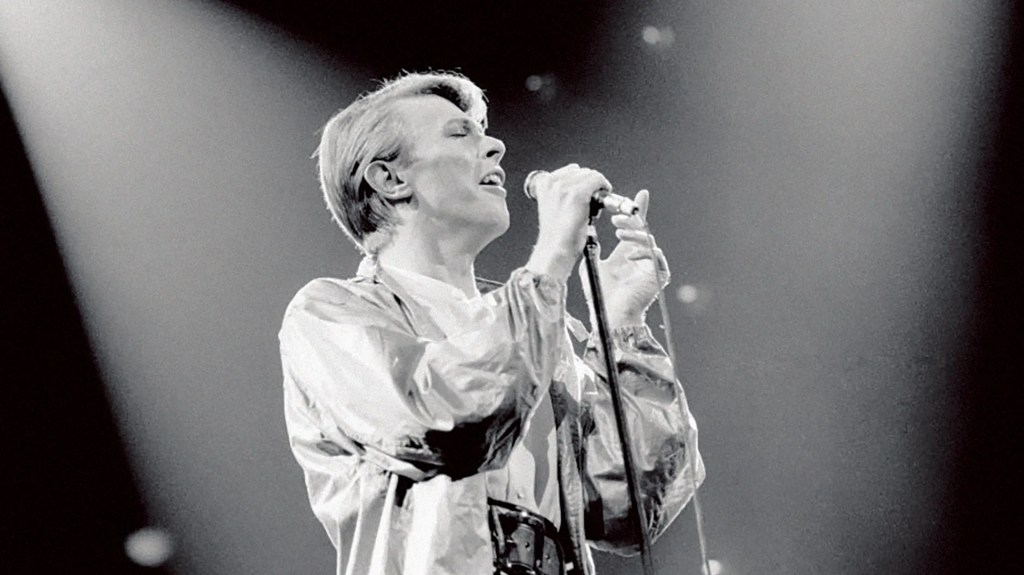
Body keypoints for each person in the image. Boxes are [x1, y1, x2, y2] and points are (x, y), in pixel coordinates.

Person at [279, 71, 704, 575]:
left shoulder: (540, 334)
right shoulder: (331, 314)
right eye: (460, 133)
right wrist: (552, 256)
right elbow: (446, 420)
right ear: (390, 180)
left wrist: (621, 323)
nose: (496, 146)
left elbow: (627, 511)